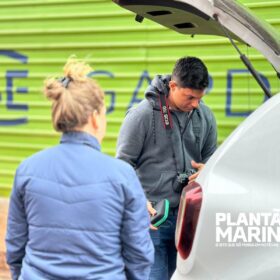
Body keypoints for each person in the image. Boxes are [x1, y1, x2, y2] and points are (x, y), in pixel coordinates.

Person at [6, 58, 154, 280]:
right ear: (95, 117)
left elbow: (16, 247)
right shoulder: (122, 175)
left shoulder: (27, 169)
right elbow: (139, 254)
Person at [116, 57, 217, 280]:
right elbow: (122, 165)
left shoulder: (206, 116)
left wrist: (207, 169)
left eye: (200, 98)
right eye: (190, 97)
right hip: (152, 221)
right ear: (173, 86)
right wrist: (137, 200)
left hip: (190, 220)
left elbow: (212, 159)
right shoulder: (141, 115)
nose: (195, 104)